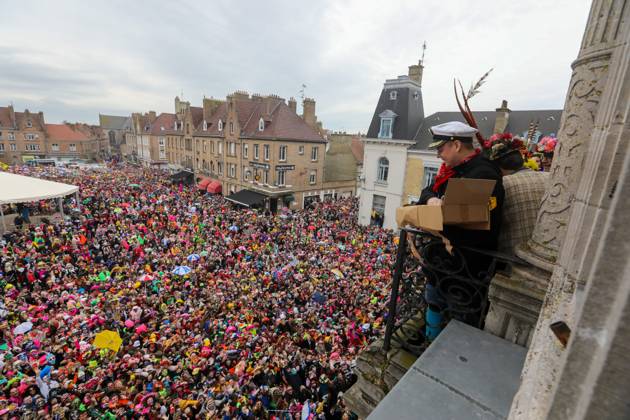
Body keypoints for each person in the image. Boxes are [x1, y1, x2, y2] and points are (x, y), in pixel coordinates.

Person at [417, 121, 504, 335]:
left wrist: (428, 221)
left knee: (458, 326)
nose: (438, 155)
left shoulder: (482, 172)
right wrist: (431, 202)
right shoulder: (454, 171)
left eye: (440, 148)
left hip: (464, 271)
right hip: (443, 266)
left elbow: (459, 223)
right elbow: (426, 192)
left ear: (456, 145)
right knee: (434, 308)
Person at [488, 137, 548, 257]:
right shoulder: (549, 177)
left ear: (498, 167)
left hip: (513, 255)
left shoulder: (502, 184)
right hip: (546, 252)